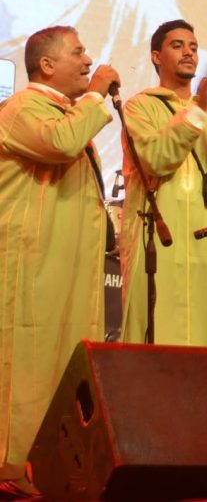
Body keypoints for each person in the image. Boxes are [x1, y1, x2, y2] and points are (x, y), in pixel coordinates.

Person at [0, 26, 119, 493]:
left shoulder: (66, 112)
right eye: (78, 52)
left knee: (62, 365)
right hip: (32, 264)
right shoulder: (21, 108)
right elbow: (61, 143)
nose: (89, 60)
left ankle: (51, 466)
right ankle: (14, 466)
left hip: (65, 265)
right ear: (46, 65)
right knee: (27, 365)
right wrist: (95, 96)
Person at [119, 19, 207, 347]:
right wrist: (196, 114)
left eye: (193, 47)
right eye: (178, 46)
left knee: (204, 334)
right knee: (155, 329)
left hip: (203, 237)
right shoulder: (139, 107)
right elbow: (156, 159)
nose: (188, 53)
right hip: (156, 237)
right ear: (156, 56)